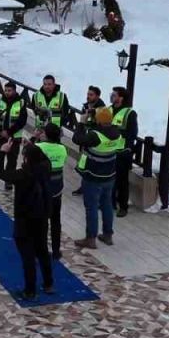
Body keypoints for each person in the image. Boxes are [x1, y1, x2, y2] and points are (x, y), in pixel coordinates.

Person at [0, 141, 54, 299]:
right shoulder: (45, 169)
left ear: (26, 159)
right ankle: (49, 283)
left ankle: (30, 290)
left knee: (28, 256)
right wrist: (33, 145)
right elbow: (45, 159)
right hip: (42, 217)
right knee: (42, 250)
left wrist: (2, 152)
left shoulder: (22, 175)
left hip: (25, 219)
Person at [73, 106, 124, 249]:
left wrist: (81, 123)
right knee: (106, 204)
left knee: (92, 207)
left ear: (99, 121)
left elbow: (77, 138)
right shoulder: (117, 133)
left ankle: (90, 238)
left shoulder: (95, 136)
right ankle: (108, 234)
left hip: (93, 176)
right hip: (109, 176)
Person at [34, 123, 68, 260]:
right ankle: (56, 250)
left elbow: (28, 154)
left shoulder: (39, 147)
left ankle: (39, 250)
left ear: (46, 134)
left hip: (41, 191)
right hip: (56, 190)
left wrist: (35, 138)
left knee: (40, 222)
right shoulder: (62, 149)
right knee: (55, 221)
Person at [0, 82, 27, 191]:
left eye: (9, 90)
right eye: (6, 90)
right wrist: (0, 131)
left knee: (12, 161)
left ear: (14, 90)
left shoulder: (21, 103)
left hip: (14, 138)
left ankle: (8, 181)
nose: (7, 92)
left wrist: (9, 132)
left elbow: (22, 121)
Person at [70, 86, 106, 196]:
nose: (88, 96)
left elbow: (102, 126)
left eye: (91, 95)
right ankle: (84, 186)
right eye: (88, 94)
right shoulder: (86, 106)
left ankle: (95, 191)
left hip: (94, 142)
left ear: (97, 96)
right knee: (83, 164)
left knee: (94, 168)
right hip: (85, 140)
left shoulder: (102, 110)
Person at [110, 86, 139, 218]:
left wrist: (128, 149)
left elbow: (132, 133)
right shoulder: (108, 110)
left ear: (121, 97)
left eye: (114, 94)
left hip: (122, 153)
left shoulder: (129, 113)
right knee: (109, 179)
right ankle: (110, 203)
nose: (112, 96)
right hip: (108, 151)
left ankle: (123, 206)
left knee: (122, 181)